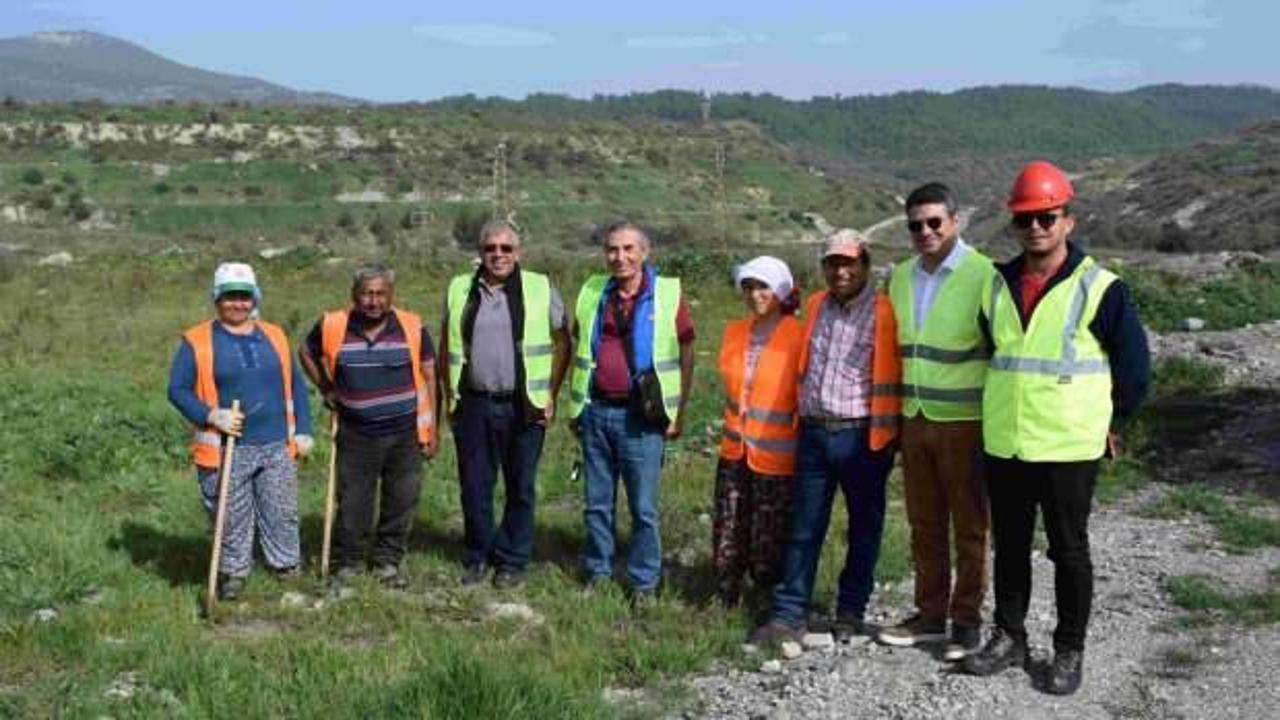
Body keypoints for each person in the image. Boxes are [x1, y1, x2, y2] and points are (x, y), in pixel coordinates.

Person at [962, 161, 1150, 695]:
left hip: (1069, 447)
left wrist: (1113, 423)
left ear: (1068, 219)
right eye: (1026, 220)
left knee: (1068, 550)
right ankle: (1009, 636)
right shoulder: (996, 286)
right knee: (1012, 546)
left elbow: (1135, 372)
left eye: (1048, 217)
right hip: (1007, 442)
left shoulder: (1102, 289)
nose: (1036, 228)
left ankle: (1069, 649)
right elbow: (998, 353)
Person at [750, 229, 902, 646]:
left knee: (864, 529)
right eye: (833, 262)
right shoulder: (816, 305)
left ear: (865, 266)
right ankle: (789, 613)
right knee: (804, 527)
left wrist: (892, 435)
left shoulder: (887, 311)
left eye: (849, 262)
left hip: (863, 437)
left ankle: (851, 611)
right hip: (814, 433)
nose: (841, 270)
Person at [878, 183, 994, 661]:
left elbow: (998, 349)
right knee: (924, 524)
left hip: (965, 419)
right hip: (915, 418)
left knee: (970, 526)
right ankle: (929, 615)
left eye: (934, 223)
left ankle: (965, 622)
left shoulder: (983, 275)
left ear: (955, 221)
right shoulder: (901, 277)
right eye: (915, 225)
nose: (924, 232)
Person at [168, 262, 314, 601]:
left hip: (277, 444)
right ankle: (234, 573)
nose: (238, 304)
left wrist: (303, 430)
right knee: (230, 516)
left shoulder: (274, 335)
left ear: (254, 298)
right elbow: (177, 390)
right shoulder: (198, 341)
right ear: (217, 299)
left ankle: (285, 565)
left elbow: (296, 385)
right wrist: (211, 415)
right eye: (230, 297)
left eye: (244, 297)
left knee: (281, 510)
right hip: (226, 448)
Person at [567, 221, 695, 603]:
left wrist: (679, 411)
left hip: (644, 418)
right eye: (612, 249)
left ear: (645, 252)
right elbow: (580, 340)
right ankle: (598, 572)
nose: (619, 257)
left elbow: (688, 352)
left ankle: (643, 583)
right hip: (597, 412)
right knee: (597, 504)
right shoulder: (593, 291)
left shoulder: (668, 294)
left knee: (643, 508)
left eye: (628, 249)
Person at [439, 220, 571, 588]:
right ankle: (478, 556)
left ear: (518, 252)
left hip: (523, 404)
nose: (498, 255)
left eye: (506, 249)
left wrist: (550, 395)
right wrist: (450, 397)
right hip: (474, 404)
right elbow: (446, 343)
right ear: (479, 252)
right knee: (475, 486)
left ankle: (512, 560)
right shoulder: (459, 289)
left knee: (521, 486)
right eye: (490, 248)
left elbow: (563, 342)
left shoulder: (540, 288)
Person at [298, 264, 438, 589]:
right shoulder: (333, 324)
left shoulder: (413, 326)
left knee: (401, 499)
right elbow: (306, 352)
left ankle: (387, 563)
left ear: (391, 296)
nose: (373, 301)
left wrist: (433, 430)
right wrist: (326, 388)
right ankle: (350, 562)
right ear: (354, 296)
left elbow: (430, 375)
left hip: (404, 432)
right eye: (366, 294)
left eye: (379, 294)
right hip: (356, 432)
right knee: (353, 501)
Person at [712, 256, 802, 608]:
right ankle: (725, 592)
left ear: (779, 290)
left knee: (770, 530)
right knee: (729, 523)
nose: (754, 295)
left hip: (776, 454)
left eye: (763, 286)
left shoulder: (797, 335)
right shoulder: (735, 332)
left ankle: (765, 597)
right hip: (735, 450)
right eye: (748, 287)